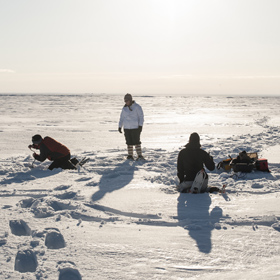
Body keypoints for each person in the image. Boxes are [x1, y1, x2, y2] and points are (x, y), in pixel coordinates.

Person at [118, 93, 144, 160]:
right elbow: (121, 118)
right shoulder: (124, 109)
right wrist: (120, 126)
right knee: (129, 142)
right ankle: (130, 155)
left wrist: (140, 126)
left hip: (135, 128)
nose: (126, 102)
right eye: (125, 101)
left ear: (130, 100)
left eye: (127, 100)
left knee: (136, 142)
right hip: (127, 128)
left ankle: (139, 155)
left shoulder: (137, 107)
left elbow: (141, 117)